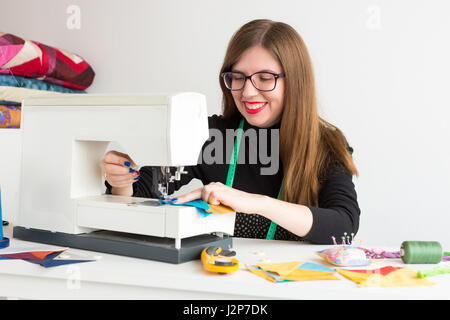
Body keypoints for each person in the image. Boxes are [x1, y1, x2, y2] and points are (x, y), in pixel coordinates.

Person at [101, 19, 360, 244]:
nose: (247, 92)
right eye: (238, 77)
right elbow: (142, 193)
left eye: (265, 78)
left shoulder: (325, 144)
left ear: (295, 81)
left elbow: (344, 228)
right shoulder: (209, 135)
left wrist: (256, 203)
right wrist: (121, 183)